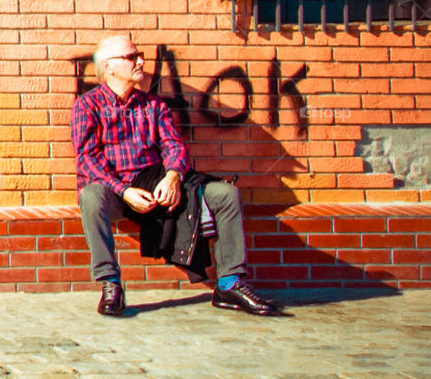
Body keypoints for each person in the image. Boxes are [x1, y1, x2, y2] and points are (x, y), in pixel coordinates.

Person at [71, 33, 281, 317]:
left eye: (139, 55)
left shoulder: (154, 106)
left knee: (226, 194)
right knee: (90, 195)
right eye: (131, 57)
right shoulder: (88, 105)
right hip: (116, 192)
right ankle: (110, 283)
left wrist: (172, 176)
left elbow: (174, 145)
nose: (140, 61)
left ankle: (229, 285)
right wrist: (124, 190)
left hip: (156, 185)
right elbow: (87, 159)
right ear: (109, 66)